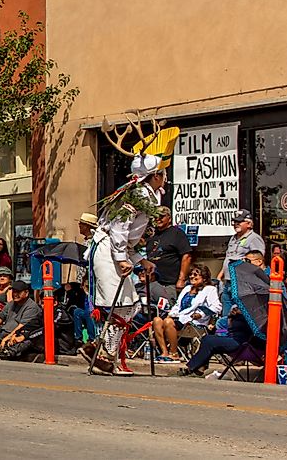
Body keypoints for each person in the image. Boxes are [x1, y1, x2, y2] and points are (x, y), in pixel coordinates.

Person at [85, 152, 168, 376]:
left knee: (130, 304)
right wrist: (122, 259)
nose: (165, 178)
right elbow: (120, 228)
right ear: (155, 176)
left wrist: (141, 260)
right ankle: (104, 356)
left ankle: (100, 351)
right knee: (124, 305)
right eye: (162, 173)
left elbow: (129, 236)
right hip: (108, 250)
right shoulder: (138, 194)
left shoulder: (145, 193)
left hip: (115, 249)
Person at [152, 264, 219, 362]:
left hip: (195, 322)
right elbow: (178, 305)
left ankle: (174, 353)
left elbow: (217, 307)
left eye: (196, 275)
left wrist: (201, 314)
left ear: (204, 278)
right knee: (157, 320)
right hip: (179, 318)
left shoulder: (210, 289)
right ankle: (164, 352)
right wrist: (171, 313)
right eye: (191, 274)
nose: (192, 277)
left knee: (168, 322)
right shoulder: (187, 288)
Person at [0, 281, 44, 360]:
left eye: (18, 292)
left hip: (16, 335)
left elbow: (22, 326)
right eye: (14, 291)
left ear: (26, 293)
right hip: (4, 334)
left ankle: (0, 354)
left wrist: (7, 338)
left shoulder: (31, 307)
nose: (15, 294)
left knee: (18, 342)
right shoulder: (11, 304)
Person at [142, 205, 192, 304]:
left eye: (161, 217)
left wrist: (181, 279)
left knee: (166, 310)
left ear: (169, 218)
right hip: (151, 282)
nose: (158, 219)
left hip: (169, 283)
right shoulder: (151, 234)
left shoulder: (177, 233)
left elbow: (186, 256)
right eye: (156, 217)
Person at [218, 210, 266, 287]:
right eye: (234, 222)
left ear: (249, 224)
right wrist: (220, 276)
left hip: (242, 282)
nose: (236, 224)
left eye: (239, 222)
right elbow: (228, 258)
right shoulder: (233, 238)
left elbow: (258, 261)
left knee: (239, 299)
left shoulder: (254, 238)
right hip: (228, 281)